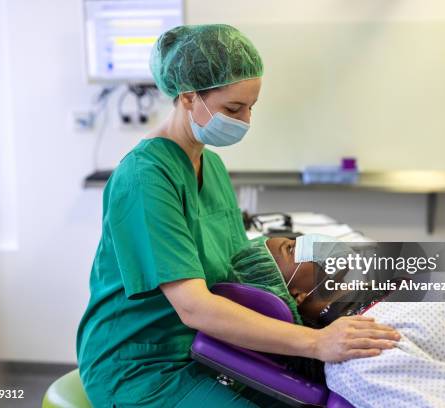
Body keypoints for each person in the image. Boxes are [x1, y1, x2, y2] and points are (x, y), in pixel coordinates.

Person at [76, 25, 400, 408]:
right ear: (188, 95)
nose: (245, 121)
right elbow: (194, 306)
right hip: (143, 365)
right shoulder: (145, 178)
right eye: (233, 108)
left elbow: (239, 268)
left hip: (211, 347)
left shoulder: (209, 166)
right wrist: (316, 343)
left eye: (251, 107)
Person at [231, 236, 445, 407]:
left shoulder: (387, 296)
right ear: (296, 295)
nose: (309, 240)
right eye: (292, 248)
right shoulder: (359, 357)